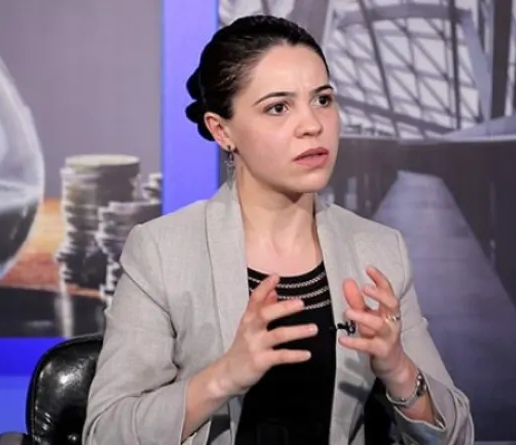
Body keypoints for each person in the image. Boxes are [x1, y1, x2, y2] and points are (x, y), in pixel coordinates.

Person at [82, 15, 474, 445]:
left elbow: (456, 435)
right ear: (221, 130)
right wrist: (223, 377)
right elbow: (105, 433)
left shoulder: (378, 250)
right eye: (278, 107)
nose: (312, 125)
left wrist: (399, 369)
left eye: (322, 100)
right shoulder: (161, 251)